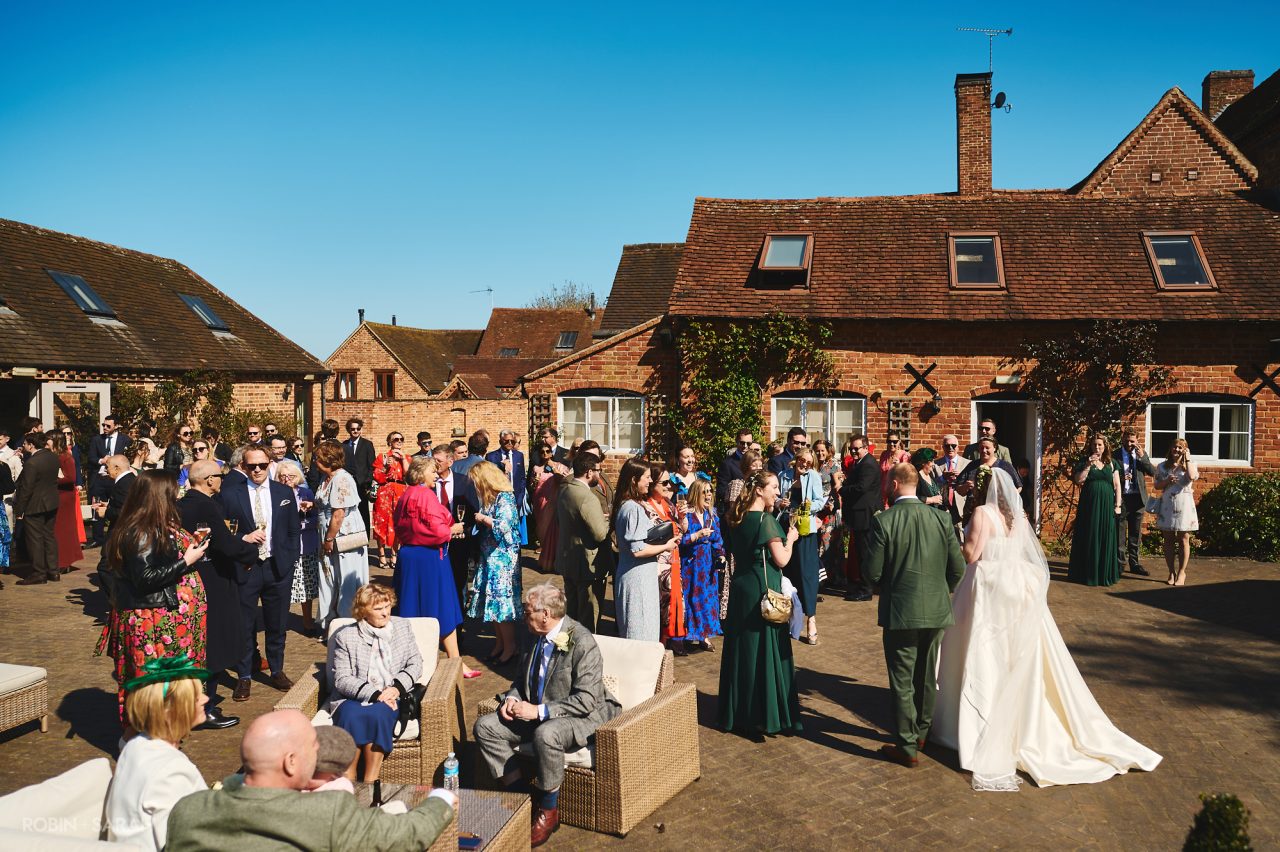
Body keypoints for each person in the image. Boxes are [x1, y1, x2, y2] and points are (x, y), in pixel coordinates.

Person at [933, 467, 1162, 788]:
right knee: (1013, 656)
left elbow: (971, 555)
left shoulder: (983, 513)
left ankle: (976, 723)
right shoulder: (1019, 518)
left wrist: (953, 544)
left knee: (982, 654)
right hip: (1016, 592)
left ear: (985, 489)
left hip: (987, 590)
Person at [166, 709, 455, 851]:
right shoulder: (323, 813)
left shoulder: (188, 810)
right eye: (312, 749)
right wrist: (440, 800)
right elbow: (404, 835)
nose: (317, 753)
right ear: (291, 762)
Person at [473, 584, 621, 848]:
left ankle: (549, 810)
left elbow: (587, 700)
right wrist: (513, 698)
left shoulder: (582, 642)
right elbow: (520, 679)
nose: (523, 616)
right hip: (537, 710)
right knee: (485, 726)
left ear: (545, 614)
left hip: (580, 716)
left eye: (527, 611)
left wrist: (540, 711)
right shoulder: (532, 634)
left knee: (546, 733)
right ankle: (521, 798)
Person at [863, 463, 965, 768]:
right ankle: (921, 733)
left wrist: (890, 589)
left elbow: (872, 572)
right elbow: (958, 568)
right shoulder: (941, 519)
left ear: (894, 485)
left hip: (901, 611)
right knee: (925, 675)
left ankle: (907, 745)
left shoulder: (884, 521)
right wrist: (938, 591)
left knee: (902, 679)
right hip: (935, 609)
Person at [95, 471, 210, 721]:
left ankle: (170, 729)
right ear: (160, 496)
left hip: (172, 619)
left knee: (172, 685)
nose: (178, 496)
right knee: (154, 685)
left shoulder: (160, 524)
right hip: (154, 621)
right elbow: (145, 577)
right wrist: (186, 561)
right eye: (174, 492)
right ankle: (152, 736)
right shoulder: (140, 531)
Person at [718, 470, 802, 737]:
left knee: (743, 648)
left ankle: (739, 711)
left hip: (742, 586)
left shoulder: (735, 518)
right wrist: (791, 539)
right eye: (774, 487)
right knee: (765, 648)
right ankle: (766, 713)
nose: (777, 492)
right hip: (762, 591)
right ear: (759, 490)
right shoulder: (765, 520)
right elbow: (782, 560)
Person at [179, 459, 259, 730]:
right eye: (219, 475)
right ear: (209, 480)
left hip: (190, 580)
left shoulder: (181, 505)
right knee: (215, 643)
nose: (222, 480)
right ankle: (206, 708)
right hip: (213, 580)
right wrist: (250, 551)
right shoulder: (206, 506)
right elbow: (224, 545)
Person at [218, 445, 301, 703]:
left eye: (262, 465)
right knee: (244, 624)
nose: (257, 470)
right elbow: (222, 531)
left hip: (278, 567)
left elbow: (292, 530)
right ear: (243, 466)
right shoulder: (230, 494)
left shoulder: (283, 492)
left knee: (277, 623)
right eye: (251, 466)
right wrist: (243, 537)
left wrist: (289, 560)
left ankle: (276, 670)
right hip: (247, 567)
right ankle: (244, 675)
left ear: (269, 465)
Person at [326, 583, 423, 793]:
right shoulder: (346, 636)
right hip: (353, 698)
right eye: (378, 609)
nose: (385, 612)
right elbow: (342, 679)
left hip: (391, 695)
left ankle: (370, 783)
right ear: (363, 612)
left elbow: (416, 664)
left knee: (380, 713)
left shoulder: (402, 627)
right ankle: (348, 785)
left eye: (387, 606)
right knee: (351, 716)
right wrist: (375, 694)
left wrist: (396, 688)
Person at [105, 658, 210, 851]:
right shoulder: (171, 771)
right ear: (171, 712)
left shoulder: (134, 746)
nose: (206, 699)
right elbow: (179, 843)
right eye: (196, 697)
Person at [393, 458, 477, 677]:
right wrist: (454, 528)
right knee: (443, 608)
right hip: (430, 558)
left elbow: (397, 526)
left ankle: (416, 664)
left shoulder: (405, 495)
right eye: (433, 471)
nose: (437, 475)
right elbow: (440, 531)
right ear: (421, 473)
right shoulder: (426, 495)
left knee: (412, 610)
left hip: (409, 556)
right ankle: (456, 663)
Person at [612, 457, 678, 641]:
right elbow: (637, 550)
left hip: (638, 577)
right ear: (634, 479)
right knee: (640, 636)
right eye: (647, 477)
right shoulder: (633, 508)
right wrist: (666, 546)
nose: (650, 481)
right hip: (637, 580)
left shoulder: (627, 505)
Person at [467, 460, 522, 664]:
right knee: (493, 604)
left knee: (502, 604)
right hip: (491, 556)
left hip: (503, 559)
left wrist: (483, 519)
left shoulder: (505, 497)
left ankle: (510, 646)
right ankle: (500, 644)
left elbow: (505, 526)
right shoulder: (491, 498)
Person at [313, 440, 369, 633]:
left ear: (328, 459)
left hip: (343, 535)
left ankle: (348, 623)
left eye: (317, 458)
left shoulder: (342, 479)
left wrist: (329, 539)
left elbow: (338, 514)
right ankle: (331, 620)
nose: (314, 462)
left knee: (346, 577)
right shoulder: (326, 478)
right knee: (330, 577)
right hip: (327, 531)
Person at [555, 451, 611, 632]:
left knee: (571, 612)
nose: (599, 475)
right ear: (589, 472)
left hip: (567, 559)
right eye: (598, 471)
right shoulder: (587, 497)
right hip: (587, 564)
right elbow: (600, 534)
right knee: (589, 615)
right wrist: (610, 520)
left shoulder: (565, 489)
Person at [779, 447, 823, 644]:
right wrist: (781, 502)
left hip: (805, 530)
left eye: (808, 462)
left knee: (807, 575)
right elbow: (778, 497)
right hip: (786, 527)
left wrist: (807, 505)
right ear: (796, 459)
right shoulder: (784, 475)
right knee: (788, 573)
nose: (804, 464)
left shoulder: (813, 476)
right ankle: (788, 618)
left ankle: (811, 619)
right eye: (801, 460)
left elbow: (820, 501)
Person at [1068, 435, 1123, 587]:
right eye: (1094, 445)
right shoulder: (1085, 462)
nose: (1097, 448)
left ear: (1105, 446)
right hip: (1089, 505)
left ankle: (1103, 573)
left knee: (1106, 534)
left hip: (1106, 505)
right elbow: (1079, 480)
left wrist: (1117, 506)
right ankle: (1088, 573)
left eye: (1099, 445)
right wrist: (1087, 465)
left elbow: (1117, 486)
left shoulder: (1112, 463)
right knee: (1090, 534)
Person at [644, 463, 688, 653]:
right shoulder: (644, 506)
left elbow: (682, 530)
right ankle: (658, 649)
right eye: (665, 482)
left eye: (671, 482)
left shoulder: (669, 504)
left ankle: (668, 644)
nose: (670, 486)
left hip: (673, 561)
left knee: (673, 605)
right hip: (657, 564)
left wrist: (682, 517)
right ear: (652, 482)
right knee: (661, 607)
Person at [679, 477, 724, 652]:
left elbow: (718, 539)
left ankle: (704, 636)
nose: (708, 495)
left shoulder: (712, 515)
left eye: (710, 491)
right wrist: (696, 535)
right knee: (692, 599)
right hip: (691, 564)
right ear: (696, 493)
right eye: (704, 491)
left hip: (708, 564)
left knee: (708, 599)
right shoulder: (687, 516)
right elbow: (680, 540)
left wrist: (720, 555)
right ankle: (690, 634)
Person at [277, 460, 321, 636]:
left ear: (298, 477)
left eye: (291, 476)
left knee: (307, 586)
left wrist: (300, 524)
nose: (287, 479)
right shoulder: (276, 494)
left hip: (306, 545)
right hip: (286, 547)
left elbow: (316, 519)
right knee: (285, 586)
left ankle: (307, 621)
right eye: (283, 476)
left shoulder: (306, 492)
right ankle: (280, 621)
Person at [13, 432, 60, 585]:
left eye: (25, 443)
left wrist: (19, 510)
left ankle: (39, 573)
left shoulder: (32, 463)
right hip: (52, 502)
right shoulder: (53, 457)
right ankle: (53, 571)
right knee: (49, 536)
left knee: (35, 540)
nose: (23, 446)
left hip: (36, 505)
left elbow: (27, 488)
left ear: (31, 445)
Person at [839, 434, 879, 602]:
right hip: (859, 514)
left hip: (865, 515)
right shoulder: (861, 463)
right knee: (861, 553)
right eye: (852, 449)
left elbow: (862, 487)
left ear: (865, 447)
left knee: (865, 553)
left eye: (857, 448)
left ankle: (866, 590)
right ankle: (863, 586)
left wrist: (843, 489)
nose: (854, 451)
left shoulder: (868, 464)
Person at [1154, 438, 1199, 587]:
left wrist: (1188, 459)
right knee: (1168, 539)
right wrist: (1167, 481)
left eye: (1180, 448)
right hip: (1167, 505)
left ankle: (1182, 572)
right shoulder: (1162, 466)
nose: (1177, 450)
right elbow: (1156, 486)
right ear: (1170, 448)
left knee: (1184, 539)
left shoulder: (1189, 465)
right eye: (1175, 447)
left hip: (1184, 505)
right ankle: (1171, 572)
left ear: (1185, 450)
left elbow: (1192, 476)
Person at [88, 415, 132, 546]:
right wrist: (101, 460)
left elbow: (129, 456)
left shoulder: (125, 440)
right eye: (103, 425)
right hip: (100, 478)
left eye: (108, 426)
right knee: (97, 505)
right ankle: (97, 538)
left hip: (115, 478)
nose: (105, 428)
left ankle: (115, 535)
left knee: (115, 505)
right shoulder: (97, 439)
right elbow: (90, 458)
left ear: (116, 426)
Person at [372, 431, 410, 569]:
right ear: (389, 442)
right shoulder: (382, 457)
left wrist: (403, 459)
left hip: (400, 491)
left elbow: (410, 476)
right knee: (381, 523)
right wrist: (386, 466)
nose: (399, 441)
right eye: (396, 439)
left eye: (401, 439)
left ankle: (394, 554)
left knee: (397, 523)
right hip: (384, 493)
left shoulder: (407, 458)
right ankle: (381, 554)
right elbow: (377, 476)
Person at [49, 430, 84, 572]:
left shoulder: (66, 457)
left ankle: (64, 562)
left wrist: (51, 480)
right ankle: (60, 560)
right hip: (57, 495)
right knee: (57, 529)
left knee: (64, 529)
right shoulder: (53, 456)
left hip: (65, 496)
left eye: (49, 439)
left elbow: (70, 478)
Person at [955, 437, 1022, 511]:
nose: (984, 450)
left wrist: (1006, 498)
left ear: (994, 448)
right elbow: (958, 488)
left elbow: (1018, 486)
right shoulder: (972, 465)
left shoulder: (1004, 466)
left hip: (997, 511)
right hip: (972, 511)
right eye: (981, 448)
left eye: (987, 448)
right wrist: (966, 486)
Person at [486, 429, 528, 545]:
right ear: (500, 441)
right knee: (502, 529)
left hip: (516, 497)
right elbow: (489, 479)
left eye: (512, 441)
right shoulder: (491, 456)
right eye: (506, 441)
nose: (510, 443)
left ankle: (516, 556)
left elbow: (521, 478)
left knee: (515, 532)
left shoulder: (519, 456)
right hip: (499, 498)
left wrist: (520, 497)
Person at [343, 418, 376, 538]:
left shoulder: (367, 444)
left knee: (363, 513)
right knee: (349, 513)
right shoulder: (344, 445)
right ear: (348, 430)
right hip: (348, 485)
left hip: (362, 485)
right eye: (353, 429)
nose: (355, 431)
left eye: (358, 429)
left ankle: (365, 540)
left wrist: (367, 482)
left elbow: (372, 465)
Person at [935, 434, 970, 541]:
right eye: (947, 446)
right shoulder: (936, 464)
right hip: (942, 505)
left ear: (958, 447)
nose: (950, 448)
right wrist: (943, 478)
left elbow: (971, 485)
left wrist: (961, 478)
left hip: (961, 504)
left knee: (962, 536)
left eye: (953, 446)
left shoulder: (967, 464)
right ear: (943, 447)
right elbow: (932, 485)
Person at [717, 429, 754, 512]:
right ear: (737, 442)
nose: (745, 446)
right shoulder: (727, 464)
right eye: (742, 443)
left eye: (748, 443)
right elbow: (721, 490)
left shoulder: (756, 462)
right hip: (735, 509)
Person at [878, 432, 911, 508]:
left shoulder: (904, 455)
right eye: (889, 441)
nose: (891, 444)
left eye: (894, 442)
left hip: (896, 493)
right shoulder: (884, 454)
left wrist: (899, 466)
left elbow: (907, 476)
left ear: (899, 442)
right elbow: (880, 474)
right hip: (883, 493)